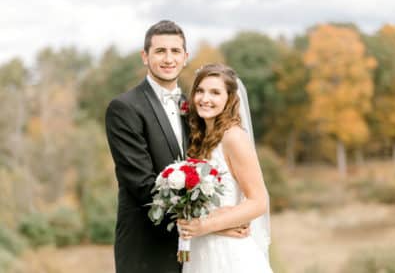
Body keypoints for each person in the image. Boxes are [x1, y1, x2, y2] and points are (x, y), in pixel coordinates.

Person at [106, 21, 248, 273]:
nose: (168, 58)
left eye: (175, 51)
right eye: (160, 51)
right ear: (145, 56)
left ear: (185, 57)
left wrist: (211, 226)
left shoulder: (195, 107)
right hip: (147, 251)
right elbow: (142, 186)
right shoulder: (125, 108)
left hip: (198, 251)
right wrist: (213, 224)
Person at [178, 64, 273, 273]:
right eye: (200, 91)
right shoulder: (199, 137)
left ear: (229, 98)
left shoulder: (234, 137)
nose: (205, 98)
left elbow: (258, 201)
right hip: (198, 250)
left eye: (215, 92)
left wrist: (208, 226)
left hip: (228, 254)